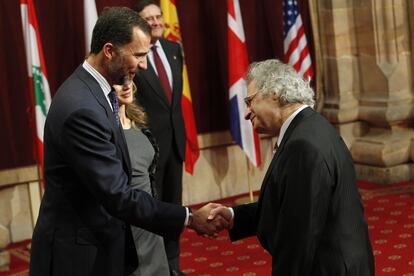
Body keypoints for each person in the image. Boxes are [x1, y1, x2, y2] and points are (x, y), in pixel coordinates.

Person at [29, 7, 227, 276]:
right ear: (109, 51)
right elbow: (118, 195)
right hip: (78, 256)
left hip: (100, 243)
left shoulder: (95, 90)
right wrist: (190, 218)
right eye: (138, 55)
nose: (144, 65)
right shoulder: (82, 107)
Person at [210, 59, 375, 275]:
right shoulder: (313, 126)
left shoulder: (302, 145)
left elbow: (298, 237)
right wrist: (234, 216)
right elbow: (290, 205)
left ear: (275, 94)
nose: (246, 112)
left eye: (250, 101)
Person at [132, 1, 186, 274]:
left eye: (157, 16)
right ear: (138, 23)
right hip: (150, 149)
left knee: (175, 210)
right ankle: (157, 269)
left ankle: (173, 267)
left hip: (176, 145)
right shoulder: (133, 56)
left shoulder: (174, 49)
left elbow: (174, 102)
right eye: (148, 18)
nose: (155, 21)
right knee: (153, 214)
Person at [113, 79, 169, 275]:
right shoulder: (104, 129)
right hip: (127, 226)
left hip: (151, 223)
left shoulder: (137, 118)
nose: (127, 86)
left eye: (128, 79)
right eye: (119, 82)